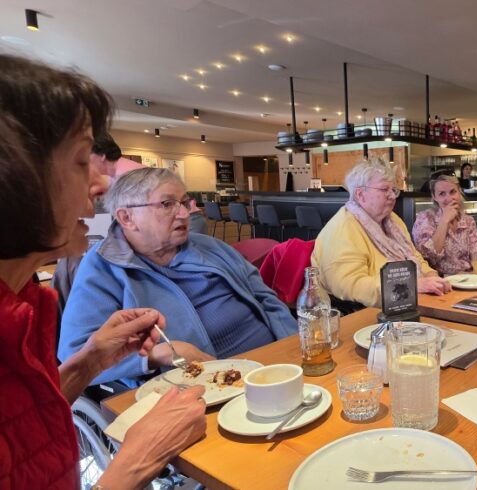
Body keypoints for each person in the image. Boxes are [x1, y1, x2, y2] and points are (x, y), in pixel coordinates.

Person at [0, 53, 205, 489]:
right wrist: (135, 462)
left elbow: (21, 421)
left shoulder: (24, 305)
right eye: (80, 161)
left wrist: (89, 361)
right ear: (12, 177)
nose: (99, 184)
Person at [59, 167, 297, 386]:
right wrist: (157, 355)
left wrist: (294, 346)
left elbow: (267, 299)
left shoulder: (210, 247)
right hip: (199, 389)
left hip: (273, 366)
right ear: (126, 218)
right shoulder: (102, 269)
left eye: (184, 202)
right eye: (167, 204)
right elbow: (75, 357)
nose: (184, 213)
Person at [311, 157, 451, 309]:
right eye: (385, 189)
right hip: (364, 315)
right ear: (360, 194)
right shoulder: (343, 228)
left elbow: (415, 258)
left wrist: (431, 276)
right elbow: (349, 285)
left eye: (393, 190)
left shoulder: (392, 221)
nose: (392, 196)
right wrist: (412, 285)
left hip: (406, 304)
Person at [412, 172, 477, 275]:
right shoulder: (425, 219)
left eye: (452, 192)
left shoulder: (468, 221)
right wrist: (444, 221)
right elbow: (428, 258)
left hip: (467, 278)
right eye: (442, 194)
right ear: (434, 197)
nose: (449, 198)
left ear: (459, 192)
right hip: (440, 281)